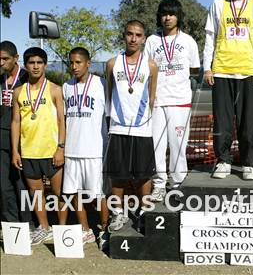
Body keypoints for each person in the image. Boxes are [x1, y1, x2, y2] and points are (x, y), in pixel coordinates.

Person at [203, 0, 253, 180]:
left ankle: (248, 163)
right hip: (222, 70)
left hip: (248, 72)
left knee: (248, 122)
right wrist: (207, 68)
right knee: (222, 121)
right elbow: (209, 38)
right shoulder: (218, 4)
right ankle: (223, 161)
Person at [144, 0, 200, 202]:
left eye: (172, 14)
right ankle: (159, 184)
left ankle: (178, 183)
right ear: (159, 16)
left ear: (178, 17)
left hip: (180, 100)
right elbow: (147, 69)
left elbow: (194, 69)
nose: (167, 18)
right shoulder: (151, 40)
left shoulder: (188, 41)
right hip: (157, 102)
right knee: (157, 146)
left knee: (178, 145)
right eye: (164, 14)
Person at [105, 20, 158, 232]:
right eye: (129, 34)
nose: (133, 38)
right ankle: (118, 213)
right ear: (124, 36)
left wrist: (143, 117)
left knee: (144, 173)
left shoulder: (151, 65)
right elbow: (110, 94)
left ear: (144, 38)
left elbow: (152, 97)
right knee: (117, 173)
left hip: (142, 127)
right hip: (117, 126)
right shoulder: (112, 63)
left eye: (138, 35)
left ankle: (145, 211)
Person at [11, 47, 67, 244]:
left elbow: (62, 120)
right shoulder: (18, 91)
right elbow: (15, 122)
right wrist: (15, 151)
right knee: (36, 195)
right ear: (26, 65)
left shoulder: (55, 89)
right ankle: (44, 227)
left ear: (45, 64)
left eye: (39, 62)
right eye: (31, 63)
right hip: (28, 152)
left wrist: (61, 147)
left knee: (59, 193)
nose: (35, 66)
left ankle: (60, 231)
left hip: (51, 151)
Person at [62, 47, 109, 246]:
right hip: (72, 150)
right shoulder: (66, 86)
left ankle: (105, 230)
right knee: (74, 193)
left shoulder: (102, 84)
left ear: (88, 63)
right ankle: (86, 230)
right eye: (71, 62)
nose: (74, 66)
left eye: (78, 62)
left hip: (94, 150)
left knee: (99, 195)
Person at [0, 41, 32, 223]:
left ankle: (29, 223)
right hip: (1, 137)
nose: (1, 63)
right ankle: (11, 225)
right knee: (4, 186)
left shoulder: (28, 78)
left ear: (16, 59)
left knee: (22, 185)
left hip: (23, 138)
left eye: (5, 59)